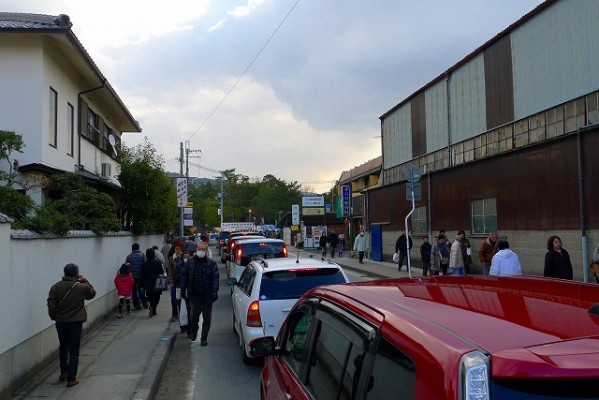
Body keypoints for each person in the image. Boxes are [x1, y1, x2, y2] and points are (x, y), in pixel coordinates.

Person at [47, 263, 96, 388]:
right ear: (76, 274)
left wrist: (54, 317)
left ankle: (63, 372)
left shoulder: (55, 287)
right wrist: (85, 280)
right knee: (74, 351)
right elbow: (92, 294)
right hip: (75, 323)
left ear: (64, 273)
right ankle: (71, 378)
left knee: (63, 347)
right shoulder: (81, 287)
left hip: (61, 322)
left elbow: (51, 305)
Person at [181, 242, 219, 345]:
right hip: (194, 295)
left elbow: (215, 278)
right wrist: (182, 290)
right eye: (199, 249)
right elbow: (184, 277)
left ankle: (204, 338)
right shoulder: (190, 262)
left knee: (207, 318)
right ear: (196, 249)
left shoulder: (211, 263)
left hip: (207, 295)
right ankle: (194, 331)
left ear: (206, 251)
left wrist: (215, 291)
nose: (201, 251)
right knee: (194, 315)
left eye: (203, 249)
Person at [141, 248, 165, 317]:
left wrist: (142, 285)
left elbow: (142, 275)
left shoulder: (144, 264)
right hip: (157, 282)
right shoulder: (158, 263)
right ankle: (154, 307)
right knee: (157, 296)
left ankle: (151, 305)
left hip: (148, 282)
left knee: (150, 296)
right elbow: (161, 272)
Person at [125, 243, 146, 310]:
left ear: (132, 248)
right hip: (141, 276)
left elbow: (127, 267)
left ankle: (135, 303)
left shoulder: (129, 257)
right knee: (141, 289)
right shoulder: (142, 256)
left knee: (133, 290)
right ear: (138, 248)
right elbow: (144, 265)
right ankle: (141, 300)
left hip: (132, 277)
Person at [167, 245, 184, 322]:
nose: (177, 250)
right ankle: (174, 314)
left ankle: (183, 313)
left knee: (183, 299)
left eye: (179, 248)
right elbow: (169, 271)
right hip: (174, 282)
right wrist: (170, 281)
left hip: (183, 282)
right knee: (173, 299)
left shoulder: (184, 257)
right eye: (176, 249)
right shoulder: (171, 259)